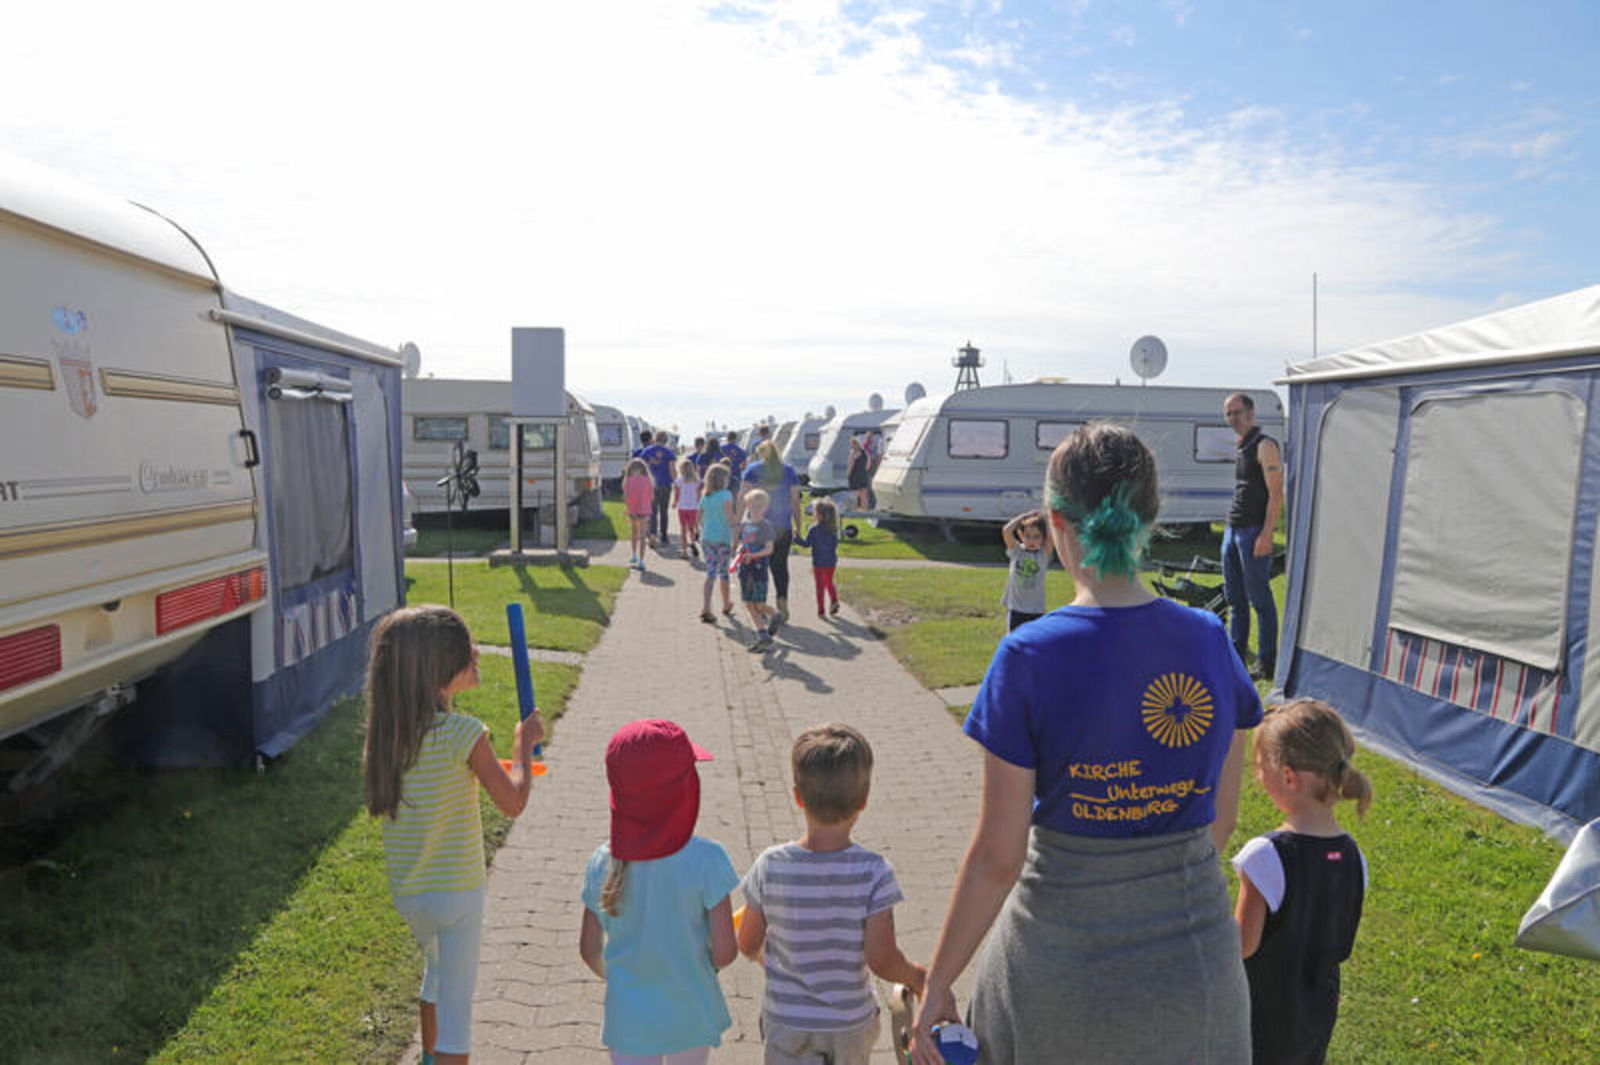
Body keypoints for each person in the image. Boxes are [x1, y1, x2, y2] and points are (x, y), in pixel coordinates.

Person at [911, 423, 1262, 1065]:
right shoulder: (1211, 639)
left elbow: (998, 857)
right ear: (1153, 518)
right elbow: (1222, 819)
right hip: (1197, 980)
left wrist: (937, 985)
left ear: (1053, 524)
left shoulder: (1029, 655)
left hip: (1057, 983)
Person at [364, 605, 544, 1065]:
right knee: (457, 1017)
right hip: (459, 897)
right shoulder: (464, 733)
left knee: (437, 976)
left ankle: (427, 1058)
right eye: (466, 649)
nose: (477, 653)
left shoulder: (390, 737)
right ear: (439, 669)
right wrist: (522, 746)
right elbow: (513, 801)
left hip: (411, 896)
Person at [738, 723, 927, 1064]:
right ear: (864, 801)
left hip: (787, 1021)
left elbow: (747, 942)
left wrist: (774, 963)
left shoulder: (770, 866)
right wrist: (916, 976)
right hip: (848, 1023)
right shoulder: (874, 872)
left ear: (797, 796)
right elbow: (881, 958)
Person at [580, 719, 740, 1065]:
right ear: (686, 791)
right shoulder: (708, 860)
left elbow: (589, 950)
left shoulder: (602, 863)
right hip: (690, 1012)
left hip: (629, 1019)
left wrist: (627, 981)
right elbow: (726, 951)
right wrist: (695, 968)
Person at [1234, 698, 1372, 1065]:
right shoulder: (1354, 857)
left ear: (1289, 776)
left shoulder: (1265, 856)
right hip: (1315, 1014)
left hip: (1261, 1016)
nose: (1257, 777)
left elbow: (1242, 946)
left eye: (1260, 767)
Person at [1223, 391, 1284, 680]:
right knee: (1235, 600)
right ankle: (1236, 658)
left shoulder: (1265, 445)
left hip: (1253, 533)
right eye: (1228, 414)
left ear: (1251, 413)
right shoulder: (1241, 447)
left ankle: (1266, 661)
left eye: (1237, 412)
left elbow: (1276, 493)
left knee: (1260, 599)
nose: (1232, 419)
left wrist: (1267, 533)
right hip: (1233, 530)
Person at [743, 441, 803, 625]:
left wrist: (738, 523)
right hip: (782, 525)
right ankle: (782, 600)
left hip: (758, 526)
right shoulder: (789, 471)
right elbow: (795, 501)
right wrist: (799, 526)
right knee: (780, 567)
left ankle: (761, 604)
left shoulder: (752, 470)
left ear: (760, 453)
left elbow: (743, 497)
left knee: (757, 566)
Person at [736, 487, 778, 651]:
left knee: (759, 605)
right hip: (745, 570)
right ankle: (763, 635)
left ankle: (774, 614)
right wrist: (740, 550)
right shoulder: (745, 524)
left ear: (765, 508)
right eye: (752, 506)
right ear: (747, 505)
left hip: (759, 570)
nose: (755, 509)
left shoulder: (765, 526)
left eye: (759, 507)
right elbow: (743, 544)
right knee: (748, 602)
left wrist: (754, 556)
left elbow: (769, 549)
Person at [698, 463, 737, 622]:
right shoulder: (726, 495)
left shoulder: (705, 496)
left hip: (707, 538)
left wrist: (703, 528)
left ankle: (706, 607)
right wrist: (737, 529)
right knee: (724, 573)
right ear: (723, 480)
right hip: (722, 539)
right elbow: (730, 517)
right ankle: (726, 603)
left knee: (710, 572)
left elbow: (699, 518)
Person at [999, 510, 1050, 631]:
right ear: (1021, 536)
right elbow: (1006, 531)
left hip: (1036, 611)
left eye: (1036, 536)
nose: (1032, 541)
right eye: (1027, 536)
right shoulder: (1017, 552)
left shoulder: (1043, 554)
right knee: (1015, 642)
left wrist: (1046, 519)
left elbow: (1052, 536)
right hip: (1016, 610)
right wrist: (1023, 516)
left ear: (1043, 538)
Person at [796, 498, 842, 619]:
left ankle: (821, 611)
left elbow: (806, 544)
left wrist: (796, 538)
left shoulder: (814, 529)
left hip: (818, 562)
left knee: (820, 587)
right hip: (831, 561)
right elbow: (835, 544)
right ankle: (834, 600)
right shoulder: (833, 530)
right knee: (829, 582)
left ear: (820, 515)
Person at [641, 434, 678, 547]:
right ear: (666, 440)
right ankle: (664, 535)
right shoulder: (669, 453)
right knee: (663, 510)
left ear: (655, 439)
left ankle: (652, 534)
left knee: (652, 511)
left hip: (651, 484)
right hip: (665, 484)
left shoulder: (647, 451)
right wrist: (675, 480)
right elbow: (672, 469)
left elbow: (643, 467)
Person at [624, 458, 653, 572]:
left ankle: (634, 555)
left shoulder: (629, 481)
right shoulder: (647, 480)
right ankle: (641, 560)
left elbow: (626, 496)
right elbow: (651, 495)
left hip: (633, 510)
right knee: (643, 535)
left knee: (634, 533)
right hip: (645, 509)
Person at [673, 458, 702, 557]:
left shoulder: (679, 481)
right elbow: (699, 495)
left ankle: (685, 551)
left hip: (682, 507)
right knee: (691, 528)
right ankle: (693, 543)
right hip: (693, 508)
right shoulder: (696, 481)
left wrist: (674, 502)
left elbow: (677, 494)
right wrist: (698, 502)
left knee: (683, 529)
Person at [846, 435, 872, 512]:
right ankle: (865, 510)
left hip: (855, 476)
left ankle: (853, 510)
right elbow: (868, 465)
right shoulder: (865, 453)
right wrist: (864, 472)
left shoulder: (853, 453)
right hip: (864, 476)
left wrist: (848, 475)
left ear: (853, 444)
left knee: (854, 495)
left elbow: (851, 465)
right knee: (864, 496)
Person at [721, 431, 747, 501]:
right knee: (735, 498)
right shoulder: (740, 450)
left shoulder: (721, 449)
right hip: (736, 477)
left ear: (727, 438)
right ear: (735, 438)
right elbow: (744, 465)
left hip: (722, 477)